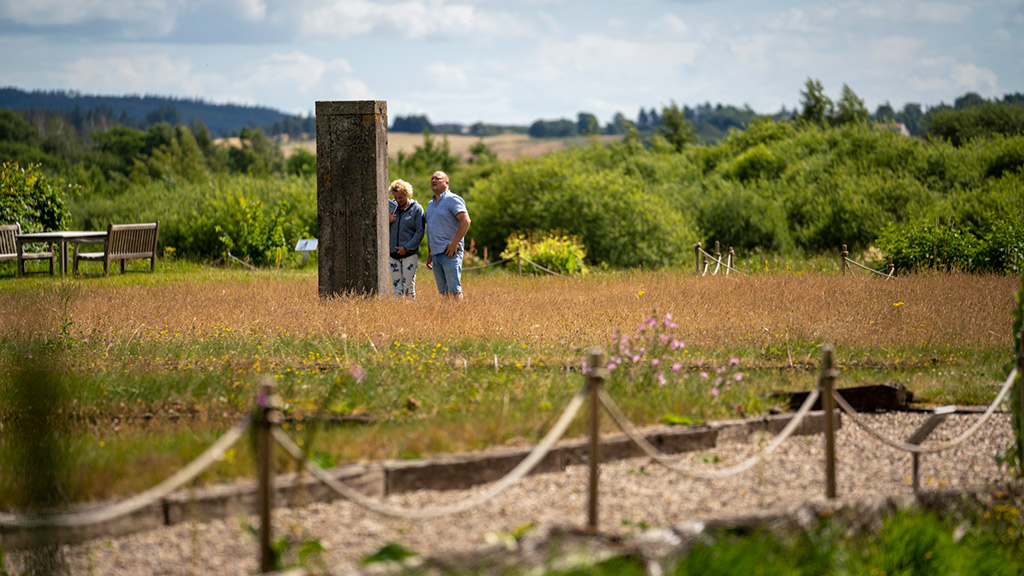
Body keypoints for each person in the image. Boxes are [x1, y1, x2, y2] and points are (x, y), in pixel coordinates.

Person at [424, 170, 471, 299]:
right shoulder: (430, 204)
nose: (433, 180)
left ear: (447, 182)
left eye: (437, 178)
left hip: (450, 252)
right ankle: (448, 318)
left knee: (454, 290)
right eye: (432, 178)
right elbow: (430, 229)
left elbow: (466, 221)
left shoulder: (453, 199)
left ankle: (460, 317)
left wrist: (454, 243)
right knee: (443, 293)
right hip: (436, 253)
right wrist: (430, 253)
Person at [388, 179, 425, 297]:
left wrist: (407, 248)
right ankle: (398, 314)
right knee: (397, 289)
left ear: (407, 194)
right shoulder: (390, 208)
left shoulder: (417, 209)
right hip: (392, 255)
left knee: (408, 288)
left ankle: (411, 314)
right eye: (396, 197)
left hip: (409, 254)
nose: (398, 201)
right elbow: (380, 229)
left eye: (401, 198)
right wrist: (387, 221)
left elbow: (420, 232)